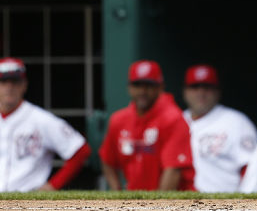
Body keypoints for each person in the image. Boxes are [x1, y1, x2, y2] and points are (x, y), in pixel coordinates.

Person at [99, 60, 195, 191]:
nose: (142, 91)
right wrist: (117, 192)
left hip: (175, 198)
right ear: (129, 87)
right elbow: (107, 159)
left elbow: (173, 171)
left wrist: (157, 203)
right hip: (136, 196)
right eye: (137, 85)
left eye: (149, 85)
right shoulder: (119, 120)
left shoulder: (173, 118)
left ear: (160, 87)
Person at [0, 57, 90, 191]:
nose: (9, 87)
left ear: (24, 85)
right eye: (3, 81)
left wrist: (53, 185)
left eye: (15, 81)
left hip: (28, 196)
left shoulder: (41, 119)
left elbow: (80, 150)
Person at [182, 64, 257, 192]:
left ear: (218, 91)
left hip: (225, 198)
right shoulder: (175, 121)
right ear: (185, 92)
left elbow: (252, 169)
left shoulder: (237, 122)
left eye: (207, 87)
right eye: (195, 87)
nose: (201, 93)